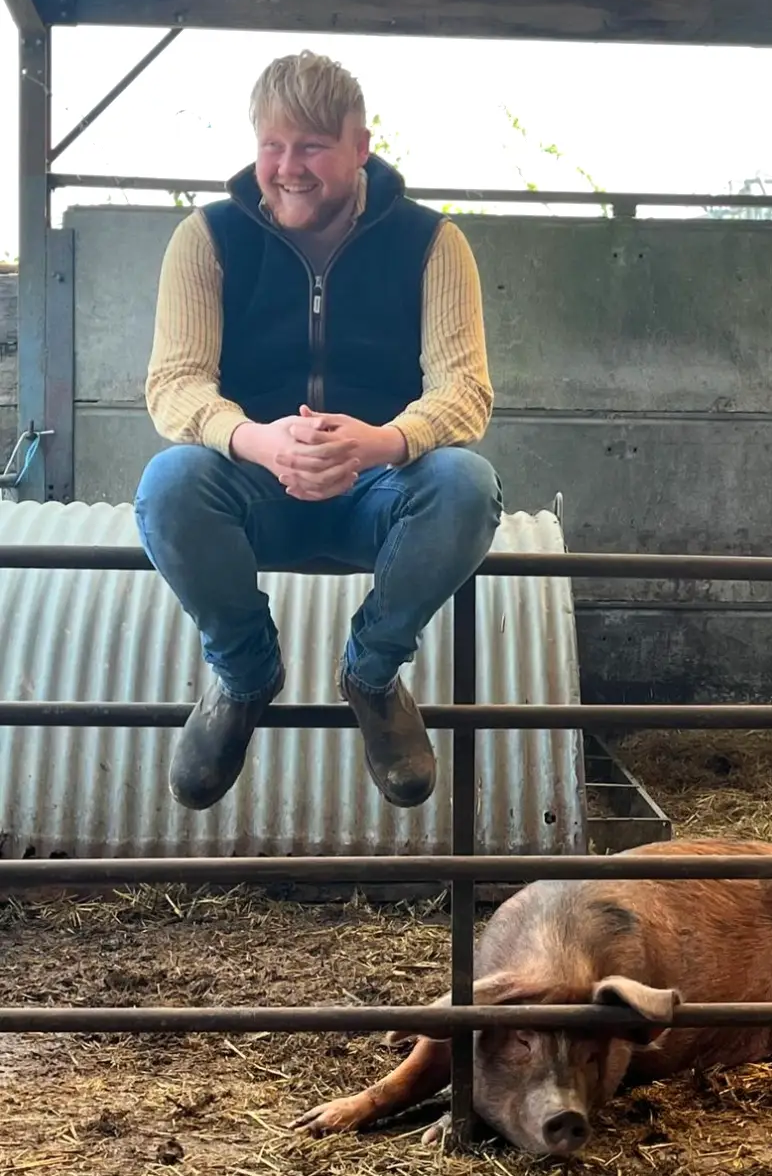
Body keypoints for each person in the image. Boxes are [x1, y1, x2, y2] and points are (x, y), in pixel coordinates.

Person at [134, 50, 502, 814]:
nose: (286, 168)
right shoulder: (207, 238)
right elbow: (175, 385)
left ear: (361, 146)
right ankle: (243, 675)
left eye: (311, 147)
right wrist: (258, 440)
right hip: (253, 484)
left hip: (380, 489)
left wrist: (380, 441)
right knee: (169, 482)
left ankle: (372, 674)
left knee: (467, 484)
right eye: (272, 146)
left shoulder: (433, 242)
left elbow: (464, 392)